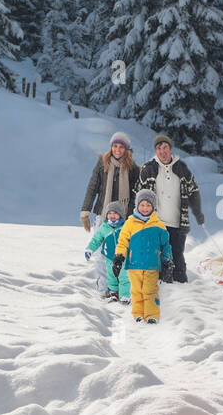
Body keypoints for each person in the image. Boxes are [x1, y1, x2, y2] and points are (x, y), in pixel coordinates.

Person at [137, 134, 202, 282]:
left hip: (178, 224)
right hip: (156, 224)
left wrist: (198, 212)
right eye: (159, 148)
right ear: (156, 151)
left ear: (170, 149)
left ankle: (181, 295)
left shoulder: (182, 169)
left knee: (178, 262)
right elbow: (138, 194)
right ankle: (160, 296)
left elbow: (193, 191)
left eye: (165, 147)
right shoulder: (148, 169)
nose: (162, 151)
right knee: (157, 263)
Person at [112, 189, 174, 324]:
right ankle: (138, 314)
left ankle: (152, 315)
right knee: (136, 291)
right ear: (137, 205)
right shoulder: (130, 223)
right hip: (134, 265)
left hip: (152, 265)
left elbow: (165, 246)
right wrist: (119, 256)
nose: (145, 208)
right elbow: (123, 241)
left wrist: (167, 261)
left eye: (148, 205)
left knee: (150, 290)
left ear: (153, 207)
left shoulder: (159, 226)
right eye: (142, 205)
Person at [80, 132, 138, 232]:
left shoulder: (132, 168)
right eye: (115, 146)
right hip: (103, 213)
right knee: (100, 245)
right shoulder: (102, 163)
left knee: (120, 246)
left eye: (121, 147)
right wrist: (85, 211)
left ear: (126, 149)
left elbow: (134, 195)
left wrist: (129, 215)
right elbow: (92, 187)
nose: (117, 150)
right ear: (111, 147)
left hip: (123, 216)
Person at [84, 201, 131, 303]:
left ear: (120, 215)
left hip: (124, 257)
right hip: (109, 257)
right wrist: (89, 249)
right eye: (109, 213)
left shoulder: (125, 227)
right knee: (111, 276)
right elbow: (96, 240)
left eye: (115, 213)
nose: (112, 216)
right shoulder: (104, 228)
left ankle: (125, 296)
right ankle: (113, 293)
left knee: (124, 276)